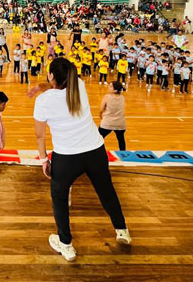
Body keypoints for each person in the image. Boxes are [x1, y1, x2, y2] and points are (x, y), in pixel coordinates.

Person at [29, 58, 130, 262]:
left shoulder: (43, 101)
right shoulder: (80, 87)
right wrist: (41, 86)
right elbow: (59, 84)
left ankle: (66, 245)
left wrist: (43, 160)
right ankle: (122, 230)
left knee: (59, 199)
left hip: (67, 157)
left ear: (51, 76)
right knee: (107, 191)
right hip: (95, 151)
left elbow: (41, 136)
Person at [98, 81, 127, 150]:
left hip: (108, 122)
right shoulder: (122, 97)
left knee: (98, 138)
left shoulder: (106, 97)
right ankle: (124, 154)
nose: (109, 87)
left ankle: (98, 154)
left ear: (115, 89)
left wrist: (101, 117)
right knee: (121, 139)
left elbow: (101, 110)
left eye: (111, 86)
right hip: (121, 123)